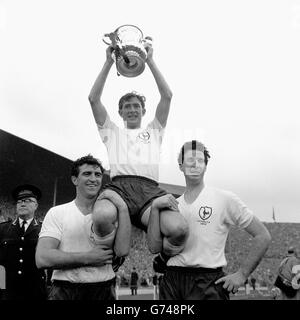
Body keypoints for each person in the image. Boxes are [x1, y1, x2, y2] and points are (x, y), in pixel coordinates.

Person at [88, 42, 188, 269]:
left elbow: (167, 95)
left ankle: (162, 259)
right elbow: (93, 99)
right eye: (127, 106)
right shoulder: (111, 132)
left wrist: (150, 61)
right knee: (102, 217)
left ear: (143, 111)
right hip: (119, 189)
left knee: (179, 230)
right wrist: (107, 63)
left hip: (150, 192)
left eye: (136, 106)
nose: (132, 109)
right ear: (120, 112)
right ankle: (114, 255)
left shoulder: (154, 130)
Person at [147, 140, 272, 300]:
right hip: (172, 280)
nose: (195, 164)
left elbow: (263, 236)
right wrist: (155, 207)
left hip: (207, 281)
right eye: (190, 160)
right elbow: (153, 247)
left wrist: (241, 274)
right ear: (180, 165)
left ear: (206, 166)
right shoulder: (171, 205)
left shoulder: (224, 199)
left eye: (200, 160)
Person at [35, 155, 130, 300]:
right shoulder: (57, 212)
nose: (93, 178)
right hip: (65, 289)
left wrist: (122, 207)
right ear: (75, 179)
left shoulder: (111, 213)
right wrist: (88, 257)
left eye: (97, 175)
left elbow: (122, 251)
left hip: (103, 288)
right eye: (87, 174)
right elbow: (42, 258)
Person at [0, 184, 47, 300]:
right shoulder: (3, 229)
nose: (22, 204)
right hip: (8, 292)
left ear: (36, 205)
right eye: (19, 201)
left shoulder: (44, 229)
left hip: (35, 291)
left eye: (27, 200)